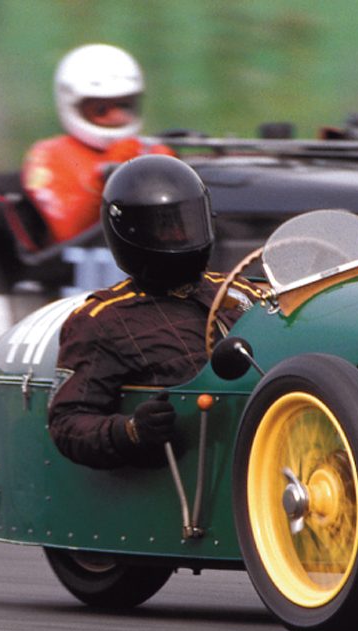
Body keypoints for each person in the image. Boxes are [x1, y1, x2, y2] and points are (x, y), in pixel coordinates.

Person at [47, 154, 260, 469]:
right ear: (132, 233)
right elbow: (66, 421)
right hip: (203, 471)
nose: (181, 236)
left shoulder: (241, 288)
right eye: (166, 228)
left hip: (278, 436)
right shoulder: (102, 320)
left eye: (188, 223)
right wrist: (131, 430)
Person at [22, 44, 175, 246]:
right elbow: (68, 234)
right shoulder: (48, 155)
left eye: (124, 105)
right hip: (78, 269)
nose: (117, 116)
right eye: (102, 109)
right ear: (73, 105)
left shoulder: (153, 151)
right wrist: (109, 174)